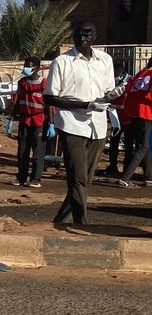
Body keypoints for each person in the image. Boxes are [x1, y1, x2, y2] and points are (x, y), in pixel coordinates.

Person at [44, 20, 118, 225]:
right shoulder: (62, 62)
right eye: (80, 33)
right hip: (72, 124)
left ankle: (61, 220)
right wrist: (86, 105)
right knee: (77, 177)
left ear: (95, 36)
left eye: (88, 33)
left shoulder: (105, 60)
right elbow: (50, 97)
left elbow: (107, 92)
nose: (84, 37)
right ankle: (81, 223)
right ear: (73, 36)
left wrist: (112, 96)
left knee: (86, 178)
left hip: (98, 126)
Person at [9, 57, 52, 188]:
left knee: (38, 152)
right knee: (22, 151)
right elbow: (17, 101)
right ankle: (21, 176)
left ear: (37, 68)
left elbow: (49, 105)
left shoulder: (44, 84)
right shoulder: (22, 83)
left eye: (29, 66)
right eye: (25, 65)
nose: (26, 68)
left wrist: (51, 123)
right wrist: (11, 119)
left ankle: (36, 178)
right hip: (24, 120)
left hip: (39, 122)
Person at [118, 56, 152, 187]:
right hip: (146, 113)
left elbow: (129, 93)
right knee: (142, 147)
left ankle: (149, 176)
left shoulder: (139, 75)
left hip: (134, 113)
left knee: (144, 145)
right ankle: (126, 178)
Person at [103, 65, 133, 176]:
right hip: (116, 118)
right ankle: (112, 167)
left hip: (128, 118)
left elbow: (113, 95)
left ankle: (127, 170)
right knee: (113, 143)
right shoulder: (113, 82)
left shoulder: (130, 81)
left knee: (129, 145)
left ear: (121, 74)